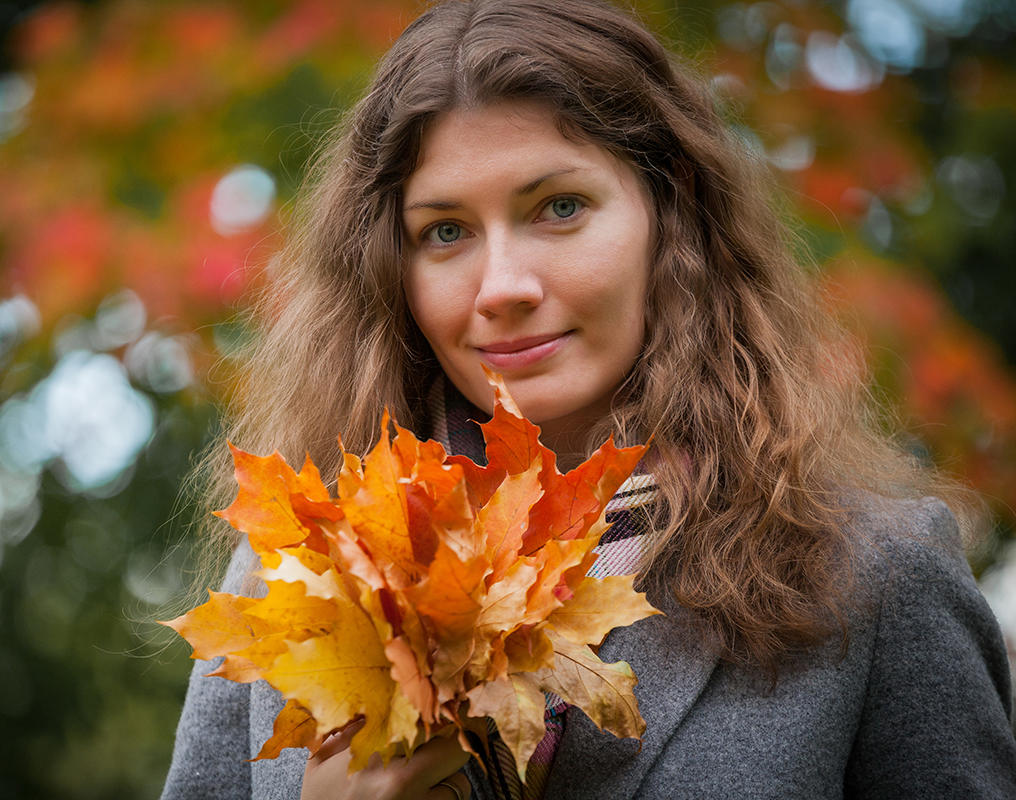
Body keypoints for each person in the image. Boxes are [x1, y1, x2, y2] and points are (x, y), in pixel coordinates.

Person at [161, 1, 1016, 797]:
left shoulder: (876, 575)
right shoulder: (298, 573)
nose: (502, 286)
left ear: (670, 209)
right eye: (445, 231)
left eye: (559, 207)